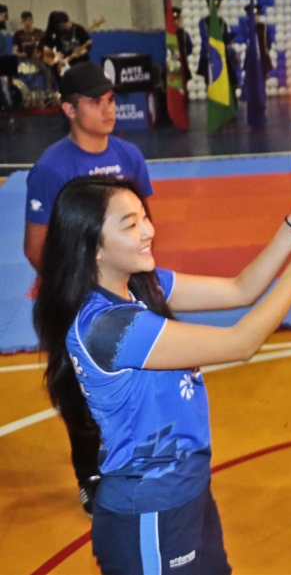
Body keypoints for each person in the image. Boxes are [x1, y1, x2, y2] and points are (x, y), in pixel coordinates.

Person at [34, 175, 291, 574]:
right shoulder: (109, 326)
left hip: (187, 490)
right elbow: (240, 343)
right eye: (130, 224)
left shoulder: (140, 287)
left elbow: (240, 289)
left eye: (145, 217)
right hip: (150, 510)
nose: (148, 232)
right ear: (93, 248)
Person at [23, 62, 154, 516]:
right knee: (80, 394)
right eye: (95, 102)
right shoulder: (52, 168)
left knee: (134, 381)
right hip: (77, 301)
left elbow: (145, 225)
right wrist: (83, 289)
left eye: (111, 99)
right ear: (69, 109)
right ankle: (89, 475)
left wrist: (138, 282)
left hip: (125, 292)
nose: (108, 108)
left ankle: (134, 458)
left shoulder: (130, 157)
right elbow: (36, 247)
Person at [43, 11, 92, 77]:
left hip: (80, 62)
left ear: (66, 21)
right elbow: (54, 48)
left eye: (63, 25)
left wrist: (83, 52)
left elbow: (87, 43)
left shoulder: (79, 29)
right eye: (59, 27)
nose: (61, 28)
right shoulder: (58, 32)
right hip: (65, 63)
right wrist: (58, 58)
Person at [172, 7, 194, 91]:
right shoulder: (167, 35)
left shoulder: (184, 34)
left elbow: (189, 49)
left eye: (176, 19)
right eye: (173, 20)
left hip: (182, 67)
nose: (175, 22)